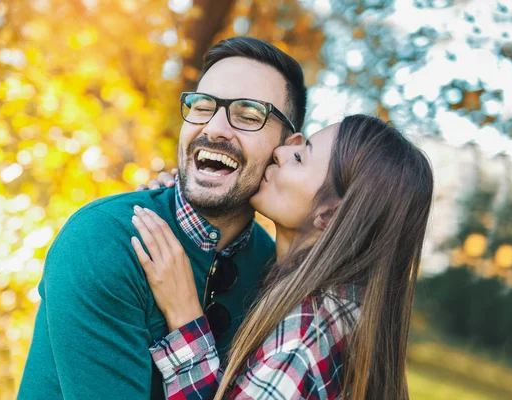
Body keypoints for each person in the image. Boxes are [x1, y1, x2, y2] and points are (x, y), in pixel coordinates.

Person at [17, 37, 307, 399]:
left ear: (289, 148)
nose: (214, 129)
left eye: (248, 115)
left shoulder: (273, 275)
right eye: (203, 107)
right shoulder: (104, 240)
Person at [131, 114, 434, 399]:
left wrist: (185, 317)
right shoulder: (333, 304)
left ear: (330, 214)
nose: (281, 152)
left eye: (300, 157)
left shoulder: (305, 338)